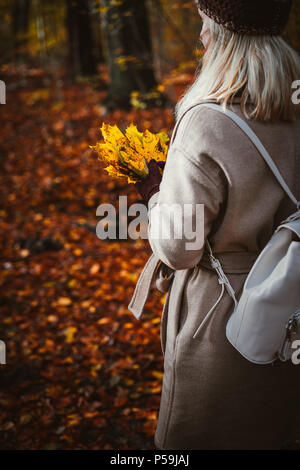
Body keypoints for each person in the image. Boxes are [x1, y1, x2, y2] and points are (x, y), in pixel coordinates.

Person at [131, 0, 300, 450]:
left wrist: (157, 197)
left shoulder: (207, 119)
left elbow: (179, 248)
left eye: (205, 24)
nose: (201, 37)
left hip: (223, 315)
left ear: (225, 38)